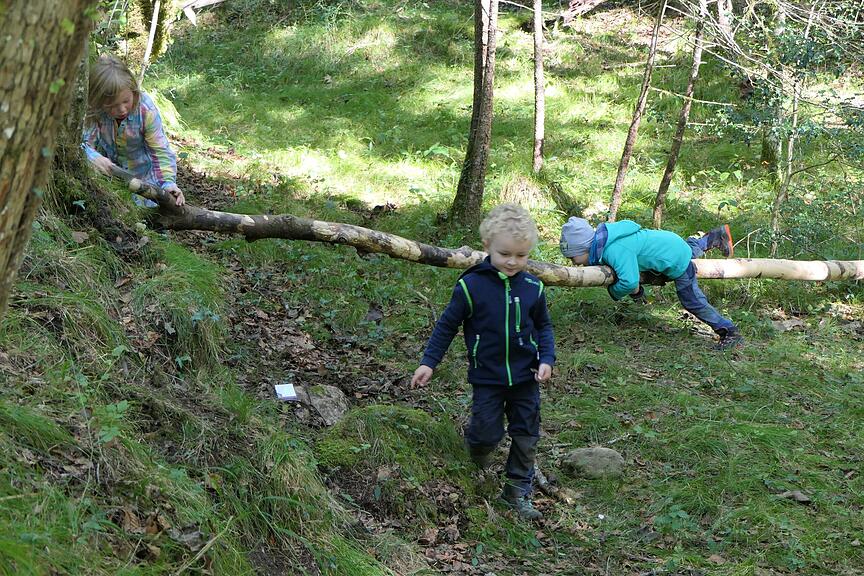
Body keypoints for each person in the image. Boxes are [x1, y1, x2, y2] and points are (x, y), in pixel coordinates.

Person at [412, 204, 555, 521]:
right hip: (487, 378)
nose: (513, 262)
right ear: (487, 247)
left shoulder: (534, 288)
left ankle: (517, 491)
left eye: (521, 255)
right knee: (486, 434)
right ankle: (473, 462)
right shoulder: (471, 286)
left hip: (525, 378)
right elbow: (447, 325)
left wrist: (546, 358)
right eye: (505, 254)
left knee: (526, 433)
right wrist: (429, 362)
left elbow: (543, 326)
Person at [559, 217, 744, 350]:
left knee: (692, 301)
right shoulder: (608, 239)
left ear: (585, 247)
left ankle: (729, 331)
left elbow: (630, 282)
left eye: (573, 256)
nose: (573, 262)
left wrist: (613, 291)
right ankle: (713, 237)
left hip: (676, 259)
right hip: (671, 243)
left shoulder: (614, 250)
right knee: (687, 249)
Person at [82, 55, 185, 209]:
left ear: (133, 92)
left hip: (146, 183)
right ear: (98, 101)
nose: (122, 109)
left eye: (126, 101)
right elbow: (80, 142)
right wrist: (94, 157)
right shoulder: (94, 111)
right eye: (112, 105)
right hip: (111, 182)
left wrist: (168, 183)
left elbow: (160, 151)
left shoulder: (145, 110)